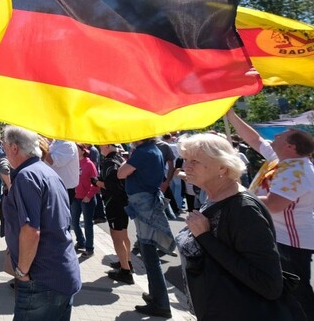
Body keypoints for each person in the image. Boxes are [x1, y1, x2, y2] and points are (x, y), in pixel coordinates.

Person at [176, 133, 291, 320]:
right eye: (185, 159)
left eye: (195, 161)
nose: (186, 166)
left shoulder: (243, 209)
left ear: (222, 167)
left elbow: (269, 284)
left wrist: (205, 238)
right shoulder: (213, 197)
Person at [226, 109, 314, 318]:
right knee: (277, 289)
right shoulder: (281, 159)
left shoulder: (298, 172)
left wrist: (237, 192)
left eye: (280, 135)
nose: (275, 136)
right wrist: (230, 114)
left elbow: (274, 205)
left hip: (290, 243)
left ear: (290, 146)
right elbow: (254, 139)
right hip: (275, 236)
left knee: (295, 291)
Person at [2, 126, 81, 321]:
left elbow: (31, 230)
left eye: (4, 147)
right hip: (59, 273)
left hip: (42, 279)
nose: (4, 152)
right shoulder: (47, 172)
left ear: (14, 148)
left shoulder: (26, 176)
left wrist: (21, 272)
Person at [117, 138, 176, 318]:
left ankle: (160, 303)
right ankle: (156, 296)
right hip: (147, 200)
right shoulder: (153, 150)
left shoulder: (143, 152)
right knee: (147, 250)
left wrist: (127, 160)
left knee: (149, 253)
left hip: (144, 202)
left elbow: (121, 173)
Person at [95, 144, 132, 284]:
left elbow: (112, 186)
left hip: (114, 202)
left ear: (109, 146)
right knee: (124, 234)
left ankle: (125, 271)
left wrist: (97, 182)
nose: (100, 147)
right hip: (123, 201)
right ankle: (127, 262)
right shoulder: (119, 157)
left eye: (102, 145)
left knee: (117, 237)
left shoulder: (109, 161)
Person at [71, 144, 99, 256]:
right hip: (76, 197)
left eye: (77, 149)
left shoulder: (89, 164)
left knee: (88, 224)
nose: (75, 151)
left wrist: (89, 195)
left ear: (83, 151)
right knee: (74, 222)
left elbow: (95, 182)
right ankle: (81, 241)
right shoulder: (73, 163)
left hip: (87, 199)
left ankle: (89, 248)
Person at [43, 138, 80, 203]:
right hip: (55, 187)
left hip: (64, 189)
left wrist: (42, 147)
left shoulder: (68, 145)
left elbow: (53, 161)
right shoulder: (55, 143)